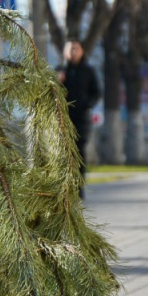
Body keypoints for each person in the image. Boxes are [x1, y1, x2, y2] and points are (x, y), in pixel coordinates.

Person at [57, 40, 101, 197]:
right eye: (70, 49)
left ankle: (79, 189)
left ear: (81, 51)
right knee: (63, 153)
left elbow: (96, 92)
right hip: (63, 119)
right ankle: (65, 188)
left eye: (76, 49)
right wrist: (57, 82)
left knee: (79, 153)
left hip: (81, 119)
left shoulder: (87, 71)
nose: (73, 52)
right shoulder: (61, 70)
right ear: (65, 52)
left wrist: (87, 105)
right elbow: (51, 92)